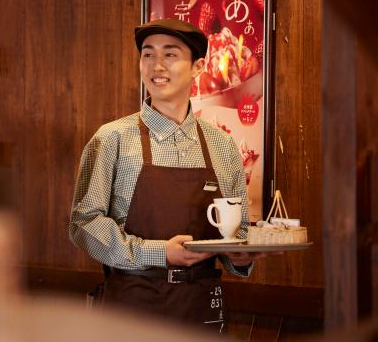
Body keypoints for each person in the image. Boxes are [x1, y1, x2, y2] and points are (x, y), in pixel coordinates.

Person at [68, 18, 264, 333]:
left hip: (200, 308)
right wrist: (159, 252)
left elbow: (235, 231)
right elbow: (84, 224)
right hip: (131, 307)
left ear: (199, 66)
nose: (157, 65)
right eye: (148, 54)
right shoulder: (112, 138)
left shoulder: (222, 144)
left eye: (170, 55)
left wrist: (239, 257)